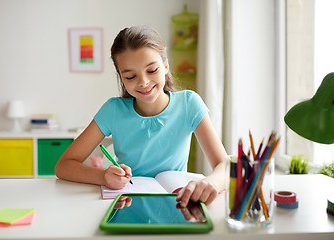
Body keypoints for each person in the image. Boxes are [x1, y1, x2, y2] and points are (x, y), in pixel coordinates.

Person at [55, 25, 227, 207]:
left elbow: (225, 165)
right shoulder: (113, 110)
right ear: (121, 77)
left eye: (152, 70)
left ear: (165, 65)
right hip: (130, 205)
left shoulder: (189, 103)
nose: (143, 82)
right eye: (130, 76)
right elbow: (64, 165)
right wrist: (104, 176)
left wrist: (210, 183)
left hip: (176, 205)